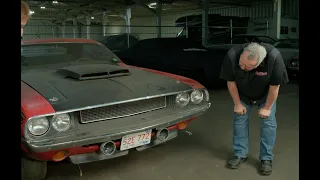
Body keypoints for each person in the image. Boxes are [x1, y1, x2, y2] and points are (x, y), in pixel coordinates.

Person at [219, 42, 289, 175]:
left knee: (268, 123)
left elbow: (275, 87)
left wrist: (267, 108)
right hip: (242, 94)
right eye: (242, 63)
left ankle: (266, 158)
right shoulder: (232, 55)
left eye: (248, 66)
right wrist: (237, 104)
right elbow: (231, 81)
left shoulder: (274, 58)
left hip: (265, 95)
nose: (243, 67)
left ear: (259, 63)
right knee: (239, 121)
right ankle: (240, 154)